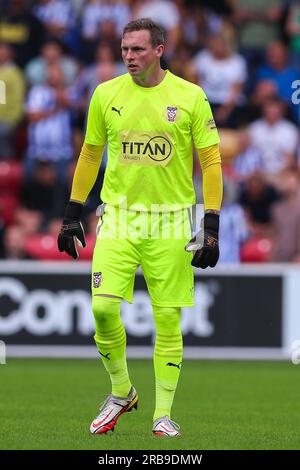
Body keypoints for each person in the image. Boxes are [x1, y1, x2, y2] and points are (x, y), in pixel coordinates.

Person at [57, 18, 223, 437]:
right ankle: (121, 392)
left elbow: (212, 163)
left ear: (160, 49)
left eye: (138, 49)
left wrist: (211, 225)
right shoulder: (105, 94)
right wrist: (73, 211)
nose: (129, 56)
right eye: (125, 49)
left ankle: (162, 415)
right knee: (101, 308)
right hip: (118, 217)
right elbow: (91, 153)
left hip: (172, 221)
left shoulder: (190, 96)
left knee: (167, 319)